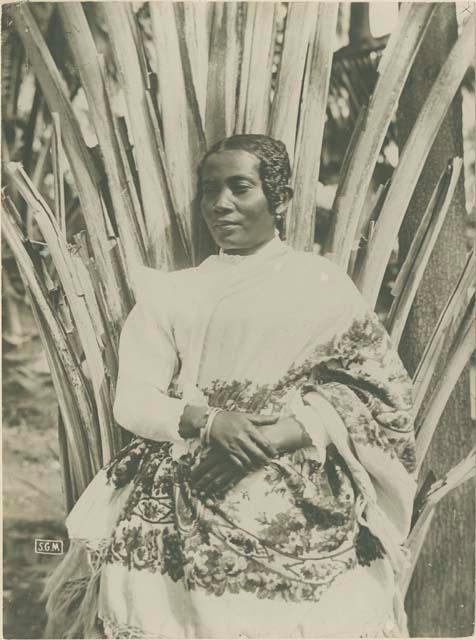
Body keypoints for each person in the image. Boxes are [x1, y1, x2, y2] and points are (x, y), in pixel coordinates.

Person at [44, 134, 417, 639]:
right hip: (184, 486)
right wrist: (210, 422)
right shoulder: (172, 293)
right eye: (209, 190)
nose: (221, 203)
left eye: (240, 187)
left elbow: (380, 393)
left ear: (279, 199)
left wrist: (285, 432)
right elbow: (132, 401)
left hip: (301, 493)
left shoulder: (323, 286)